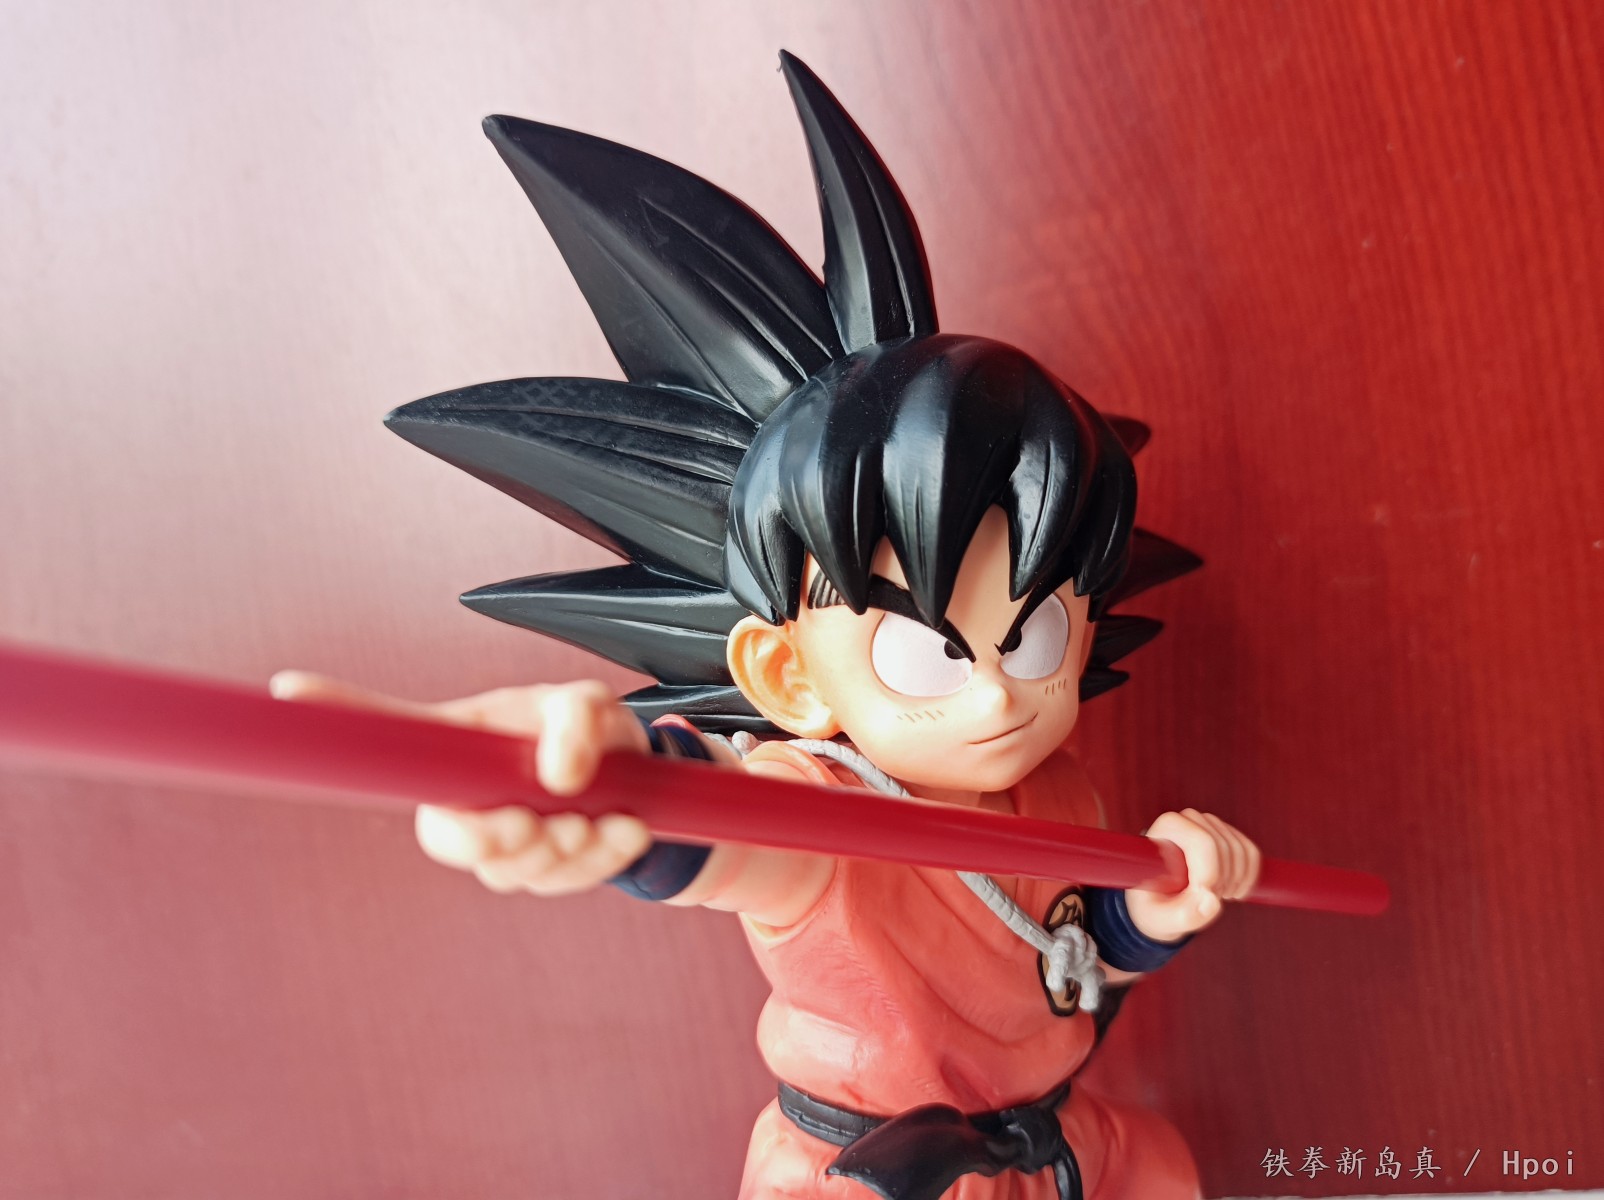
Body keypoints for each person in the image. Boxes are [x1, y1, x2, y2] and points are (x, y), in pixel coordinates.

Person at [274, 52, 1259, 1200]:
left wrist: (1153, 904)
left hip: (1065, 1144)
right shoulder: (825, 813)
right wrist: (602, 782)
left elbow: (1067, 954)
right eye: (928, 651)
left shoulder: (1056, 792)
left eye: (1034, 636)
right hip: (882, 1176)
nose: (996, 694)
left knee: (1167, 1173)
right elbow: (719, 824)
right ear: (787, 674)